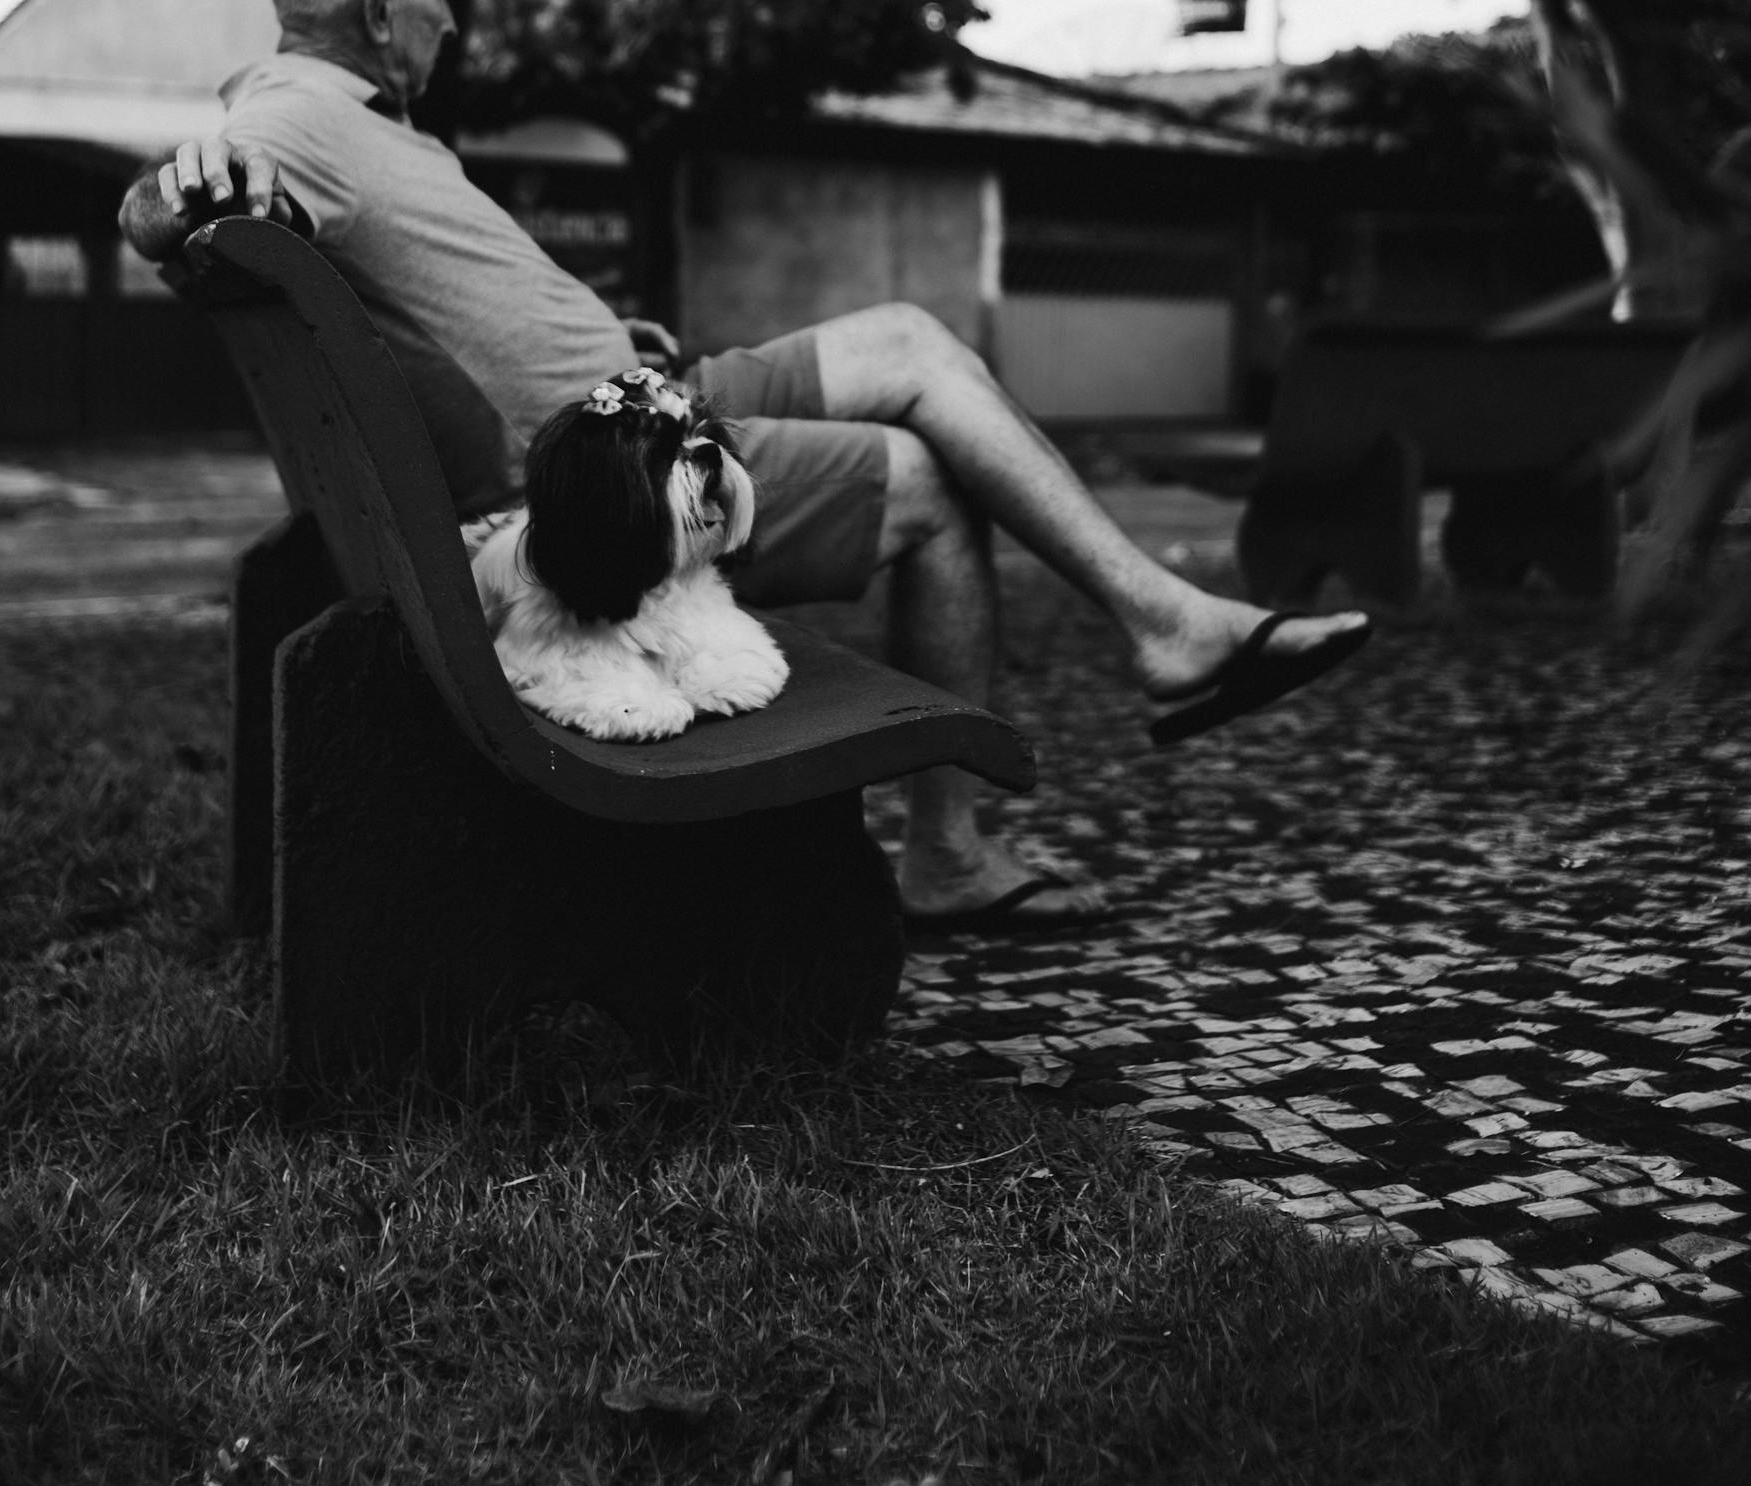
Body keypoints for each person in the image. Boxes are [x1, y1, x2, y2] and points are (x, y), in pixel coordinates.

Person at [119, 0, 1371, 934]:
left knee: (910, 343)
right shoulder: (299, 118)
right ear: (390, 14)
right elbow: (178, 205)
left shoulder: (369, 127)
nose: (455, 23)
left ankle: (1167, 623)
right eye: (441, 1)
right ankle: (967, 836)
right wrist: (158, 205)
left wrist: (622, 343)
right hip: (612, 467)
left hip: (644, 387)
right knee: (930, 479)